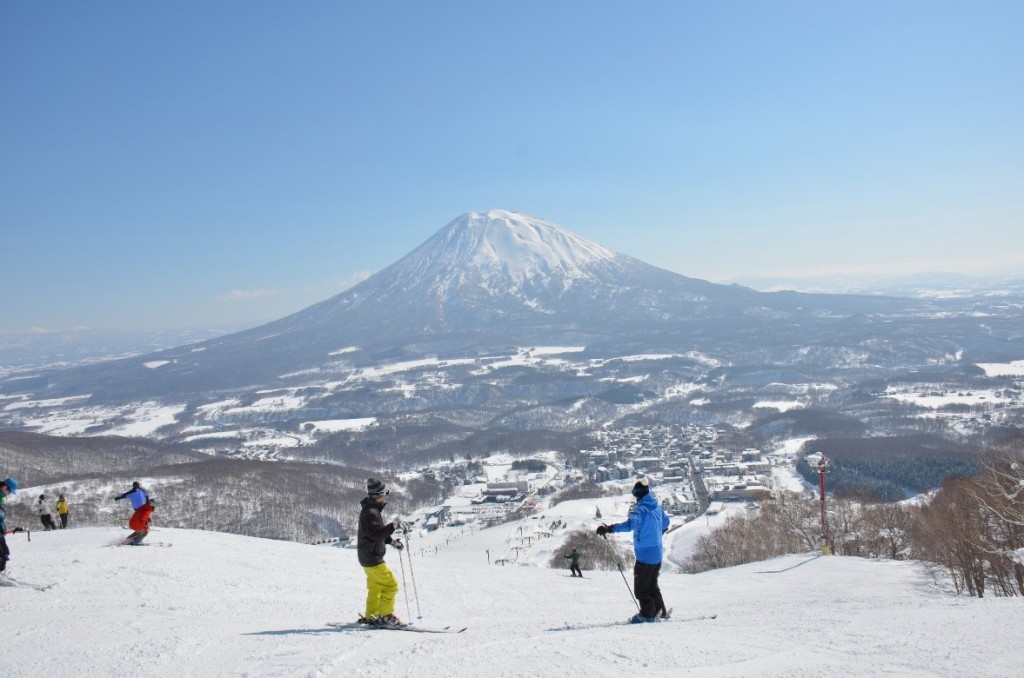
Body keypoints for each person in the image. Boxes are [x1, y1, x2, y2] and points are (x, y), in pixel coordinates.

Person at [596, 477, 670, 623]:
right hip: (657, 553)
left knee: (641, 588)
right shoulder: (656, 506)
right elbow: (666, 523)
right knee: (652, 584)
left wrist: (609, 529)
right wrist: (656, 533)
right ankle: (660, 612)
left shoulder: (639, 509)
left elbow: (630, 525)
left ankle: (648, 615)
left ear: (637, 493)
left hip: (645, 555)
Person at [357, 478, 404, 627]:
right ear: (378, 495)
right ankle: (386, 617)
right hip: (373, 559)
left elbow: (376, 533)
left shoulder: (371, 510)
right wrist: (393, 526)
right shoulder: (371, 513)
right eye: (386, 493)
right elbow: (376, 534)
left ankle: (371, 616)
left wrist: (392, 542)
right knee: (391, 585)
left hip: (366, 558)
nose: (387, 496)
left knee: (375, 588)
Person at [1, 477, 20, 573]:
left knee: (4, 553)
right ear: (5, 487)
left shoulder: (2, 497)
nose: (8, 494)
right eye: (9, 491)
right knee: (3, 554)